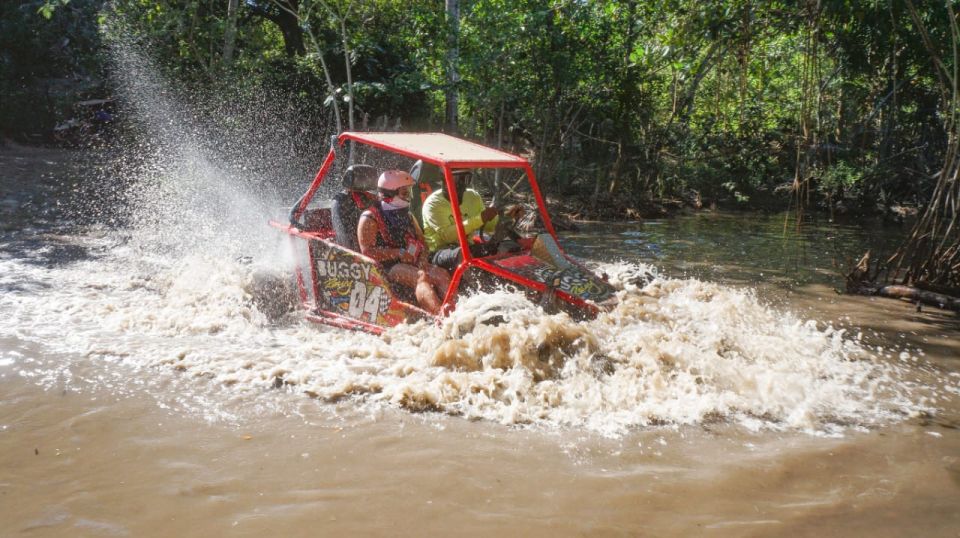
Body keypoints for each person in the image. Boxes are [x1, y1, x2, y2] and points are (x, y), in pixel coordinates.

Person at [358, 170, 451, 314]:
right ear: (389, 194)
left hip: (411, 261)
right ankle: (441, 317)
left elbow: (423, 243)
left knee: (442, 274)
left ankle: (454, 312)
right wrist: (399, 253)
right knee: (421, 276)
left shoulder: (407, 215)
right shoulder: (370, 218)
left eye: (409, 192)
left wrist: (422, 260)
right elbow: (367, 252)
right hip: (388, 266)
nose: (409, 196)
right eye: (404, 192)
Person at [421, 169, 509, 271]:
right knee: (462, 253)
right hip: (440, 252)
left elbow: (489, 227)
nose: (461, 184)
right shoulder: (433, 204)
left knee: (502, 248)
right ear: (444, 180)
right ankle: (475, 286)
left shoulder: (472, 196)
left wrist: (507, 216)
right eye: (456, 179)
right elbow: (448, 236)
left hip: (468, 247)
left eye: (466, 179)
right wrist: (480, 218)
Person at [331, 164, 378, 250]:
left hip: (371, 247)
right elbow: (345, 237)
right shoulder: (342, 201)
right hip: (355, 252)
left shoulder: (372, 198)